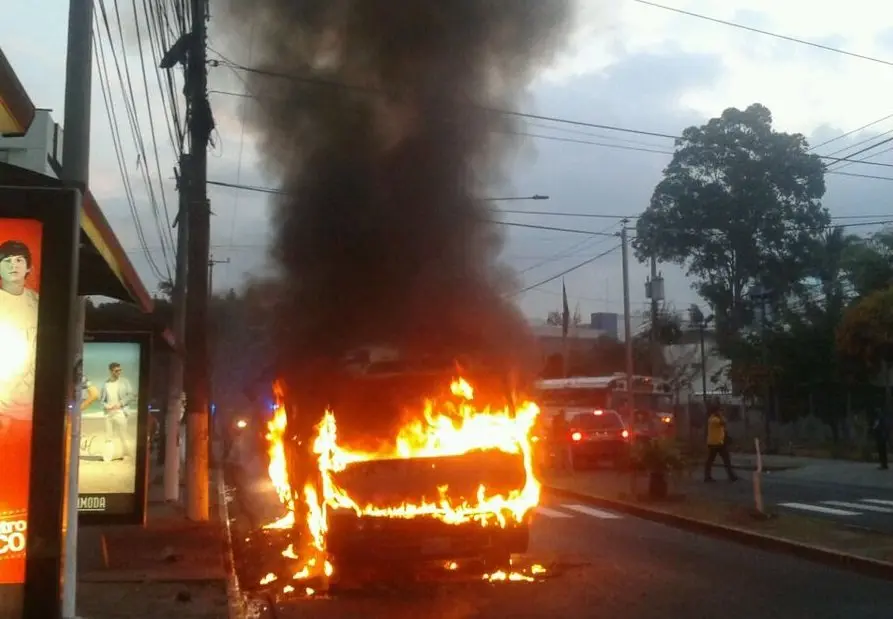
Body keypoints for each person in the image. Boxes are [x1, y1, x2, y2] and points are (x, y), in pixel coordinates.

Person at [99, 362, 136, 462]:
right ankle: (108, 457)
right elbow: (102, 400)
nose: (119, 372)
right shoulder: (105, 384)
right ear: (111, 371)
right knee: (108, 436)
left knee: (123, 435)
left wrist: (120, 403)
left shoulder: (125, 382)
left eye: (120, 370)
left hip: (121, 411)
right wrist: (106, 406)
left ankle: (126, 455)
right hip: (109, 413)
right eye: (116, 371)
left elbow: (131, 396)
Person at [704, 402, 738, 482]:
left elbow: (723, 426)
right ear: (715, 411)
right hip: (715, 443)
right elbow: (724, 422)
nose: (721, 412)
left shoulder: (714, 419)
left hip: (719, 442)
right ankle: (708, 477)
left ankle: (731, 476)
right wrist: (721, 416)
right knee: (713, 460)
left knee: (724, 459)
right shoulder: (713, 419)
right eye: (719, 410)